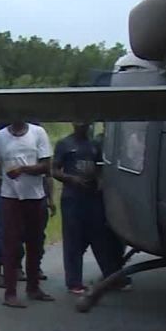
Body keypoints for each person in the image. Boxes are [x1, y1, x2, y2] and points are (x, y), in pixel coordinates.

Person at [0, 119, 56, 308]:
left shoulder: (38, 133)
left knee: (35, 242)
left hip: (35, 196)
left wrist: (22, 169)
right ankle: (10, 293)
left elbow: (46, 166)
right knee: (11, 245)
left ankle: (33, 287)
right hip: (11, 198)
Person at [54, 122, 127, 295]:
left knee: (101, 239)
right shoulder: (65, 144)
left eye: (85, 122)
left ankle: (111, 277)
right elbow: (54, 170)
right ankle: (74, 282)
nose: (82, 125)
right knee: (73, 241)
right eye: (79, 122)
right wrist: (71, 179)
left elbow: (101, 168)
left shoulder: (94, 145)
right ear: (72, 123)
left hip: (93, 198)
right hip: (72, 198)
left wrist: (100, 181)